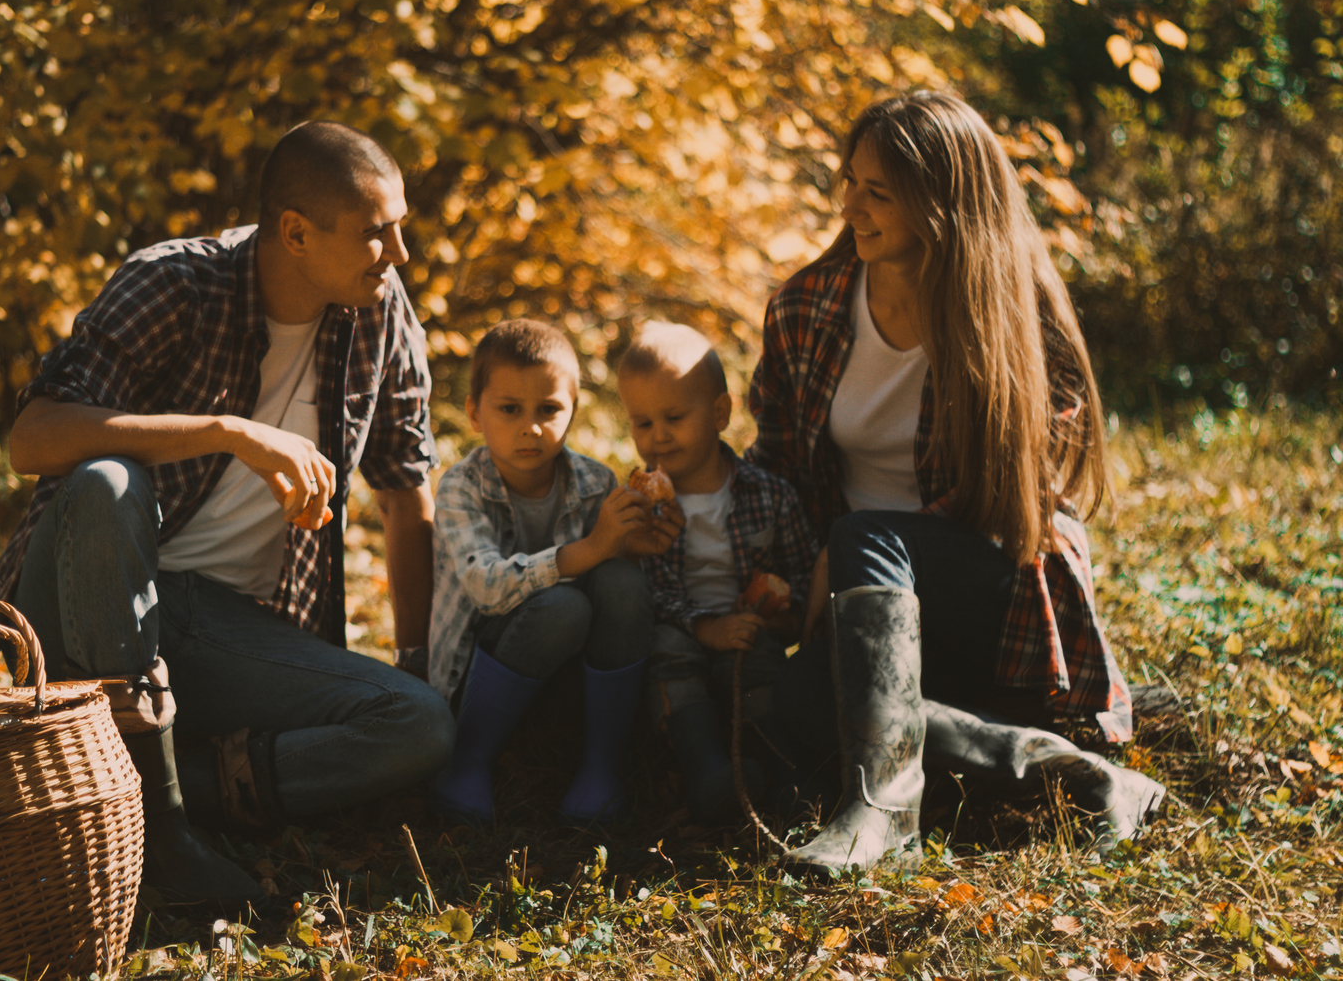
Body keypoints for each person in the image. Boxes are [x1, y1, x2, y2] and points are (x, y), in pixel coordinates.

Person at [0, 121, 455, 908]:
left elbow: (406, 489)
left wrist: (416, 654)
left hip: (221, 631)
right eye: (378, 234)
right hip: (79, 604)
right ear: (296, 233)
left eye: (400, 228)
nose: (399, 255)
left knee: (420, 724)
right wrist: (228, 433)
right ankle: (164, 834)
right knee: (106, 482)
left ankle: (154, 787)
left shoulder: (380, 308)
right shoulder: (172, 284)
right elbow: (32, 439)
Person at [749, 92, 1164, 878]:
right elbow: (773, 462)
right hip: (868, 621)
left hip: (990, 580)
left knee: (864, 536)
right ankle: (1074, 776)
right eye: (850, 182)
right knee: (802, 704)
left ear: (941, 202)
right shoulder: (807, 306)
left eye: (878, 191)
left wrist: (851, 552)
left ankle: (881, 811)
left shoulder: (1013, 315)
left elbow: (1012, 504)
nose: (851, 206)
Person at [427, 319, 669, 826]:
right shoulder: (460, 489)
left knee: (621, 584)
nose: (530, 427)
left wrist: (631, 549)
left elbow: (614, 594)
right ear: (474, 412)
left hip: (566, 683)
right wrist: (592, 547)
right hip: (478, 680)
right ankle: (469, 762)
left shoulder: (593, 481)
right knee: (562, 605)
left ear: (572, 413)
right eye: (509, 409)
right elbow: (488, 588)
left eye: (549, 409)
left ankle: (601, 767)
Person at [617, 322, 814, 823]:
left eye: (674, 417)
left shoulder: (767, 494)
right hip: (682, 631)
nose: (658, 436)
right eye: (642, 423)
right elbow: (648, 592)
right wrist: (705, 628)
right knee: (669, 655)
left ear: (720, 413)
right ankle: (706, 769)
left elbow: (802, 570)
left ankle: (785, 771)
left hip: (747, 631)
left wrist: (784, 618)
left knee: (761, 665)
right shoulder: (641, 505)